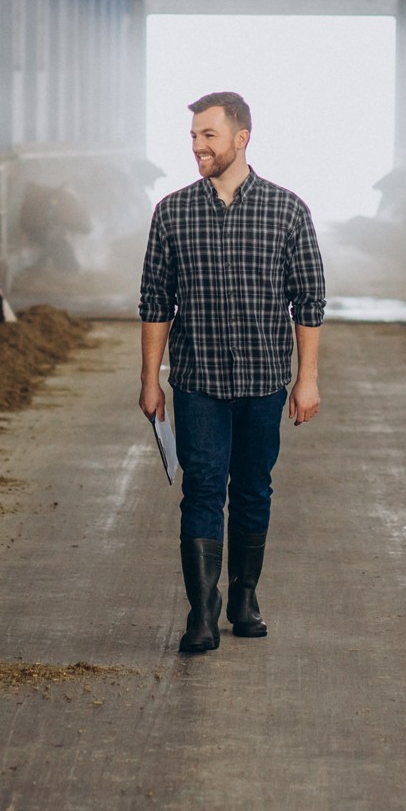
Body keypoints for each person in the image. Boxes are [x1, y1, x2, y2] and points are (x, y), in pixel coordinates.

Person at [137, 91, 326, 654]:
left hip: (265, 380)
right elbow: (154, 301)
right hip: (197, 383)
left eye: (208, 136)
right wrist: (151, 379)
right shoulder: (172, 211)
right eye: (193, 136)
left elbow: (309, 300)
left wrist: (307, 378)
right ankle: (202, 612)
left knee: (251, 490)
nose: (197, 146)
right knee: (200, 489)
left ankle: (244, 597)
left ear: (241, 138)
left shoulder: (288, 210)